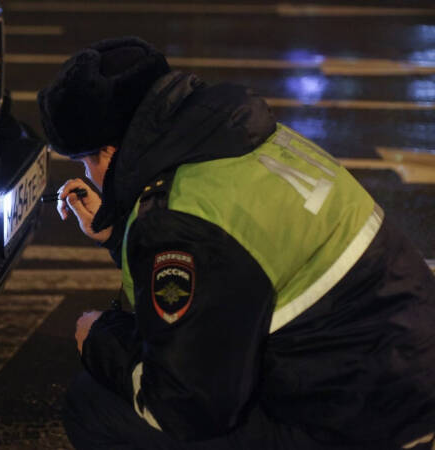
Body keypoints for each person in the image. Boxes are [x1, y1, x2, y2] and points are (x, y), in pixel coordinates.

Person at [38, 37, 435, 449]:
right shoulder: (240, 141)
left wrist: (99, 337)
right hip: (401, 377)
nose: (88, 174)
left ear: (112, 150)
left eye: (86, 162)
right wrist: (121, 235)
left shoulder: (180, 218)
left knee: (96, 407)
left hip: (369, 424)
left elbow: (187, 404)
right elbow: (232, 264)